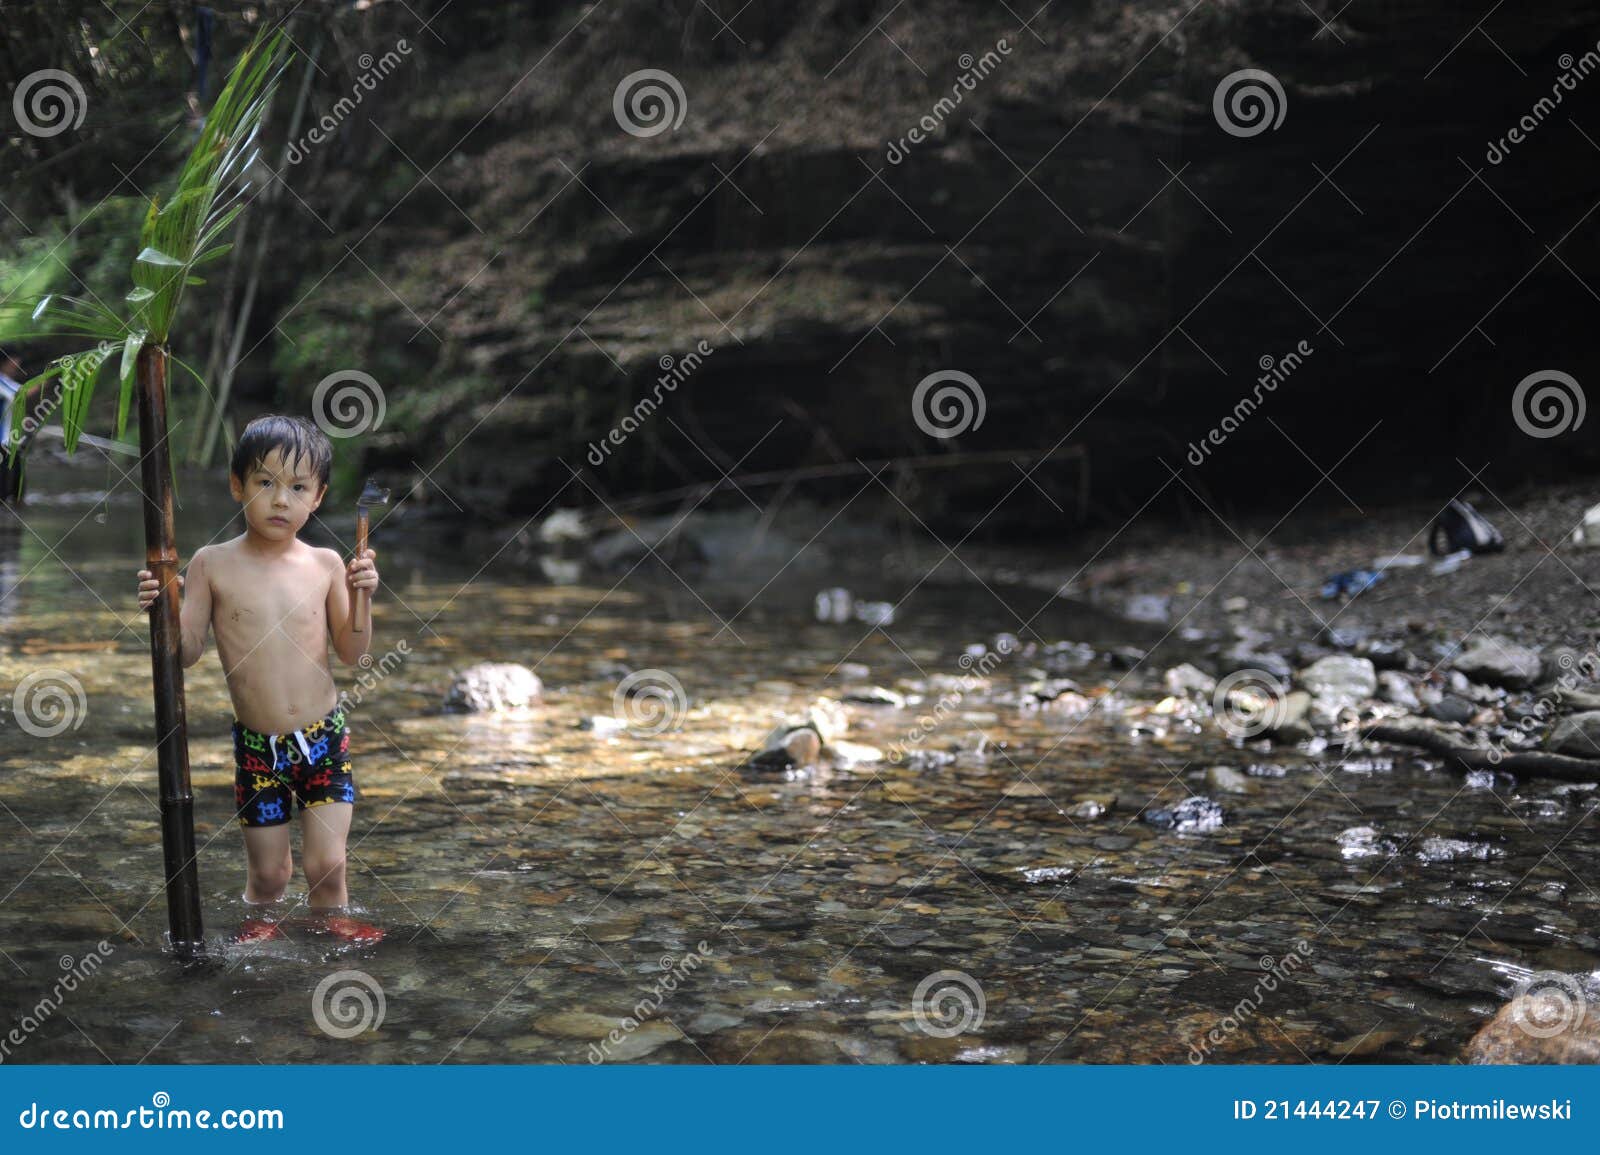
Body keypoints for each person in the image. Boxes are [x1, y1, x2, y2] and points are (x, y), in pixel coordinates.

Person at [135, 414, 382, 943]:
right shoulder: (212, 564)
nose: (280, 500)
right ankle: (262, 921)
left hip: (323, 741)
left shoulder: (325, 564)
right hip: (257, 748)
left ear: (317, 498)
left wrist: (364, 594)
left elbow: (353, 652)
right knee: (271, 874)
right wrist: (164, 607)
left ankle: (330, 923)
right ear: (236, 485)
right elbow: (187, 653)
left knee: (326, 866)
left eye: (297, 488)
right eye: (264, 482)